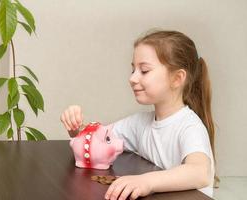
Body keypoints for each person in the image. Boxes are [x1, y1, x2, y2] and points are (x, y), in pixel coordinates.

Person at [60, 30, 217, 200]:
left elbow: (200, 173)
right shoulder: (139, 123)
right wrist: (76, 128)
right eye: (133, 69)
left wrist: (146, 182)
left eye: (144, 71)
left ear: (177, 79)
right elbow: (98, 141)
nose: (132, 78)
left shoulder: (190, 126)